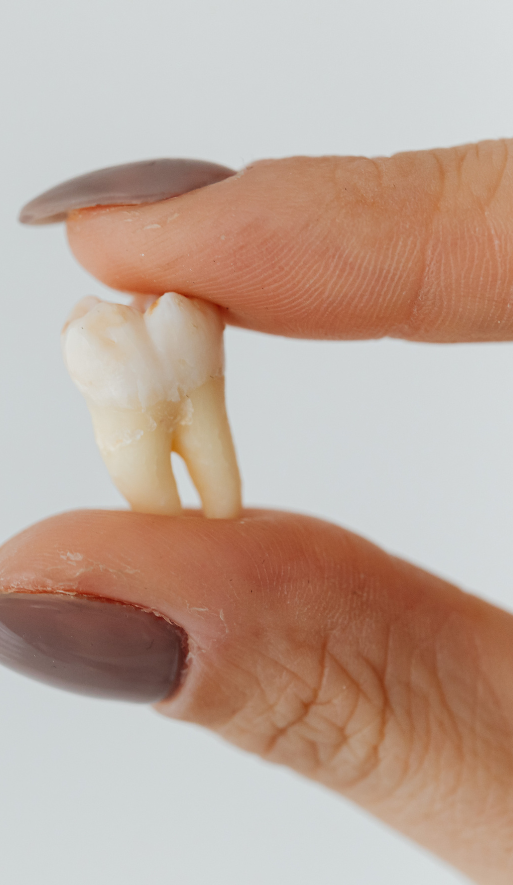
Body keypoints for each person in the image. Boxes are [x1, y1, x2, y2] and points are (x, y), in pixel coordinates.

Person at [2, 140, 513, 884]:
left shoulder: (143, 337)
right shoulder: (124, 340)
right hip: (149, 370)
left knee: (202, 490)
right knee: (193, 486)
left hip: (159, 365)